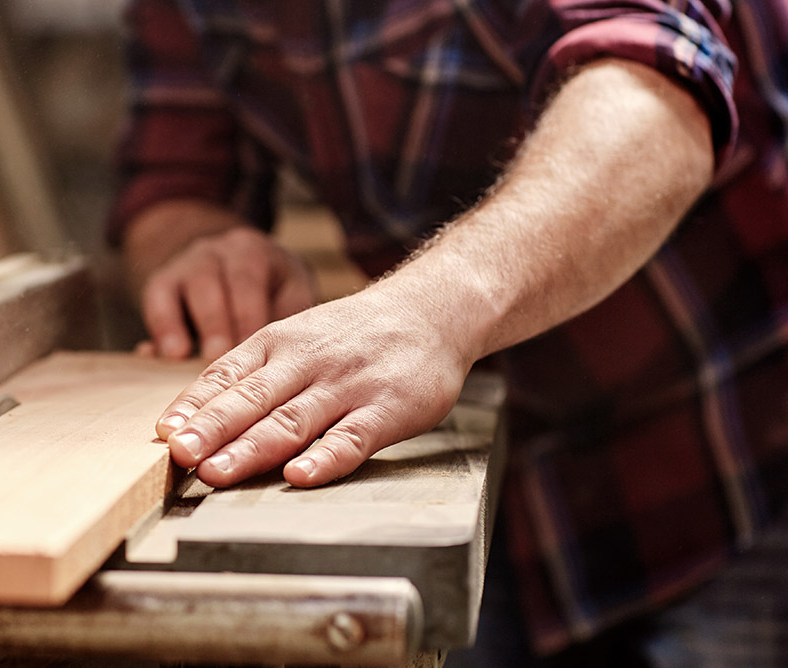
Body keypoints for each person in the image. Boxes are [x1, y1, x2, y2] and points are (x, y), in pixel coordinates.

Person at [107, 1, 788, 664]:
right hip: (501, 479)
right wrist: (197, 244)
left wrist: (427, 315)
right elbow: (171, 178)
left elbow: (656, 91)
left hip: (733, 447)